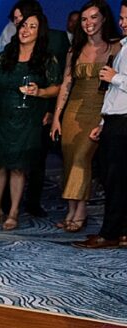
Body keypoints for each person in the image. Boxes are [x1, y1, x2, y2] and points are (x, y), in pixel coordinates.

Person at [0, 8, 61, 231]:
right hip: (1, 117)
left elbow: (58, 88)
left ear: (40, 31)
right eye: (24, 25)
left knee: (18, 167)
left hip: (28, 119)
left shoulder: (45, 58)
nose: (26, 30)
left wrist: (40, 93)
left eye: (32, 26)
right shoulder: (5, 54)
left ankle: (13, 212)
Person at [51, 1, 121, 233]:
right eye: (84, 19)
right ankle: (71, 209)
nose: (88, 23)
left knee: (82, 158)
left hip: (99, 109)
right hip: (73, 110)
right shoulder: (75, 49)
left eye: (93, 17)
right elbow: (66, 84)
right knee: (70, 159)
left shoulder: (116, 47)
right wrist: (56, 117)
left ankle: (80, 210)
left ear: (103, 19)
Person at [75, 0, 127, 248]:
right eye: (122, 17)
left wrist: (115, 77)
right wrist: (104, 121)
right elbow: (113, 94)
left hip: (124, 121)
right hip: (114, 119)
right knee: (111, 177)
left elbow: (117, 85)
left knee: (115, 179)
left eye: (126, 18)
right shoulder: (124, 47)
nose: (122, 22)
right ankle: (120, 230)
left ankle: (110, 234)